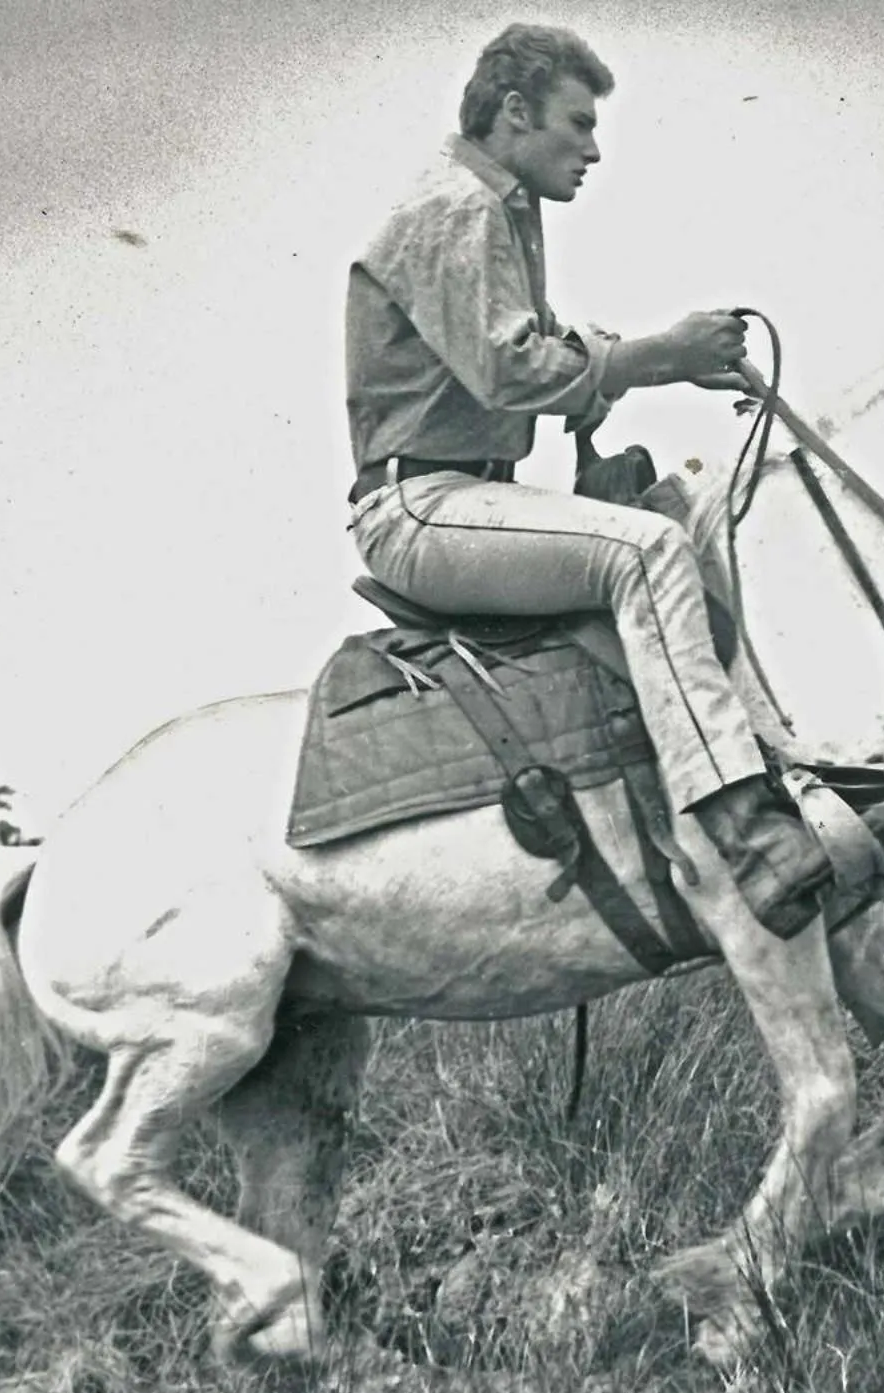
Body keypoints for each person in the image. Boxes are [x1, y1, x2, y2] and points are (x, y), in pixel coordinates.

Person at [342, 23, 832, 938]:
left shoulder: (499, 205)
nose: (594, 148)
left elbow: (539, 350)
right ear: (516, 113)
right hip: (419, 505)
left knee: (679, 525)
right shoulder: (458, 208)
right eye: (579, 122)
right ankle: (740, 824)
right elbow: (508, 369)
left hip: (464, 494)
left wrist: (658, 364)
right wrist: (658, 356)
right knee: (648, 550)